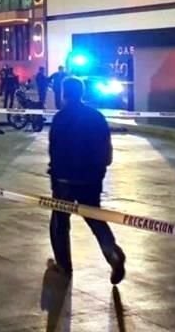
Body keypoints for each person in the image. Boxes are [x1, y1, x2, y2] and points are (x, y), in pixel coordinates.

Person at [48, 77, 126, 284]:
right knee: (94, 217)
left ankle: (64, 266)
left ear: (64, 94)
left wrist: (55, 174)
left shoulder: (60, 118)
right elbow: (106, 148)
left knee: (60, 222)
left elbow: (54, 149)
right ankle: (112, 252)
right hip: (91, 177)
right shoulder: (96, 116)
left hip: (64, 179)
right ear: (82, 93)